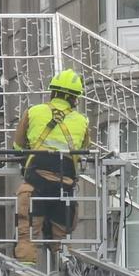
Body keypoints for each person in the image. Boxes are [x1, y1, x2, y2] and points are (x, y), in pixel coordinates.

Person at [11, 68, 90, 264]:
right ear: (74, 98)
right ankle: (67, 274)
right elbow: (84, 151)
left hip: (35, 185)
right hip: (65, 186)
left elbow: (17, 147)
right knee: (62, 240)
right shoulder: (82, 121)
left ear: (52, 92)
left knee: (27, 236)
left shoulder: (33, 112)